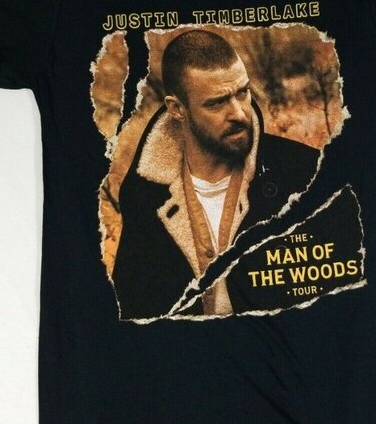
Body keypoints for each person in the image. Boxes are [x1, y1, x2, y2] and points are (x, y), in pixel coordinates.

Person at [113, 29, 321, 320]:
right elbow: (135, 310)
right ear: (177, 109)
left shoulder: (304, 171)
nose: (239, 113)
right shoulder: (143, 194)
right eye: (217, 103)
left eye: (242, 93)